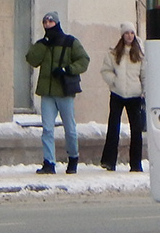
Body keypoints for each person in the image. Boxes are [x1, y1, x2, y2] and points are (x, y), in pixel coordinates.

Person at [25, 12, 89, 175]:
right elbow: (32, 59)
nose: (47, 24)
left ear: (57, 23)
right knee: (47, 129)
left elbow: (83, 60)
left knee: (70, 128)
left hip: (64, 91)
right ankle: (49, 162)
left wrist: (67, 70)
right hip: (47, 92)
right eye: (45, 22)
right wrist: (43, 44)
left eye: (50, 21)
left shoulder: (70, 42)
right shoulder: (43, 44)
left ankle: (73, 157)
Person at [99, 22, 145, 172]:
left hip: (135, 95)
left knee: (136, 130)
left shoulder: (140, 55)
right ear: (122, 35)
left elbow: (144, 74)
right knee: (113, 127)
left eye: (132, 33)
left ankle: (136, 164)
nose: (129, 36)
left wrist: (144, 90)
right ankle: (109, 161)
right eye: (127, 33)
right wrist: (114, 81)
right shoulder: (113, 54)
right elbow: (105, 71)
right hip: (117, 94)